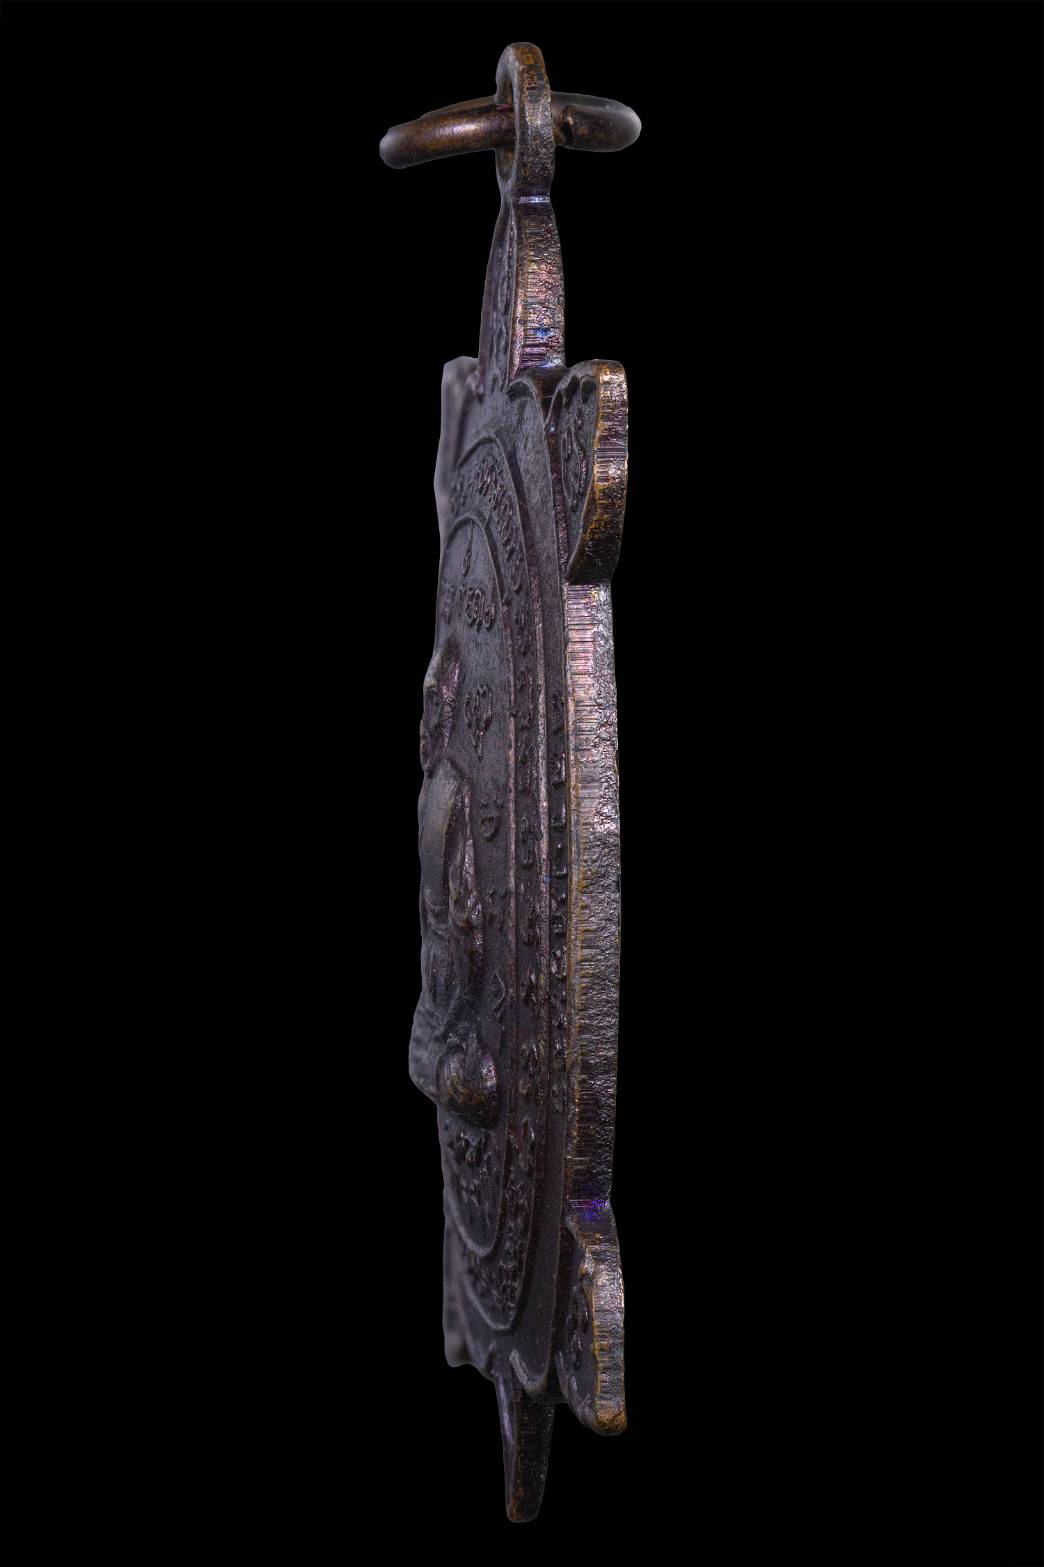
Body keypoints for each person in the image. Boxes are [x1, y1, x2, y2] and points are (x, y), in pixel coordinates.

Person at [409, 636, 499, 1127]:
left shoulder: (441, 792)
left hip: (443, 970)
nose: (424, 726)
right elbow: (456, 915)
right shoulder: (437, 792)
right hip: (445, 970)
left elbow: (461, 914)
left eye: (432, 707)